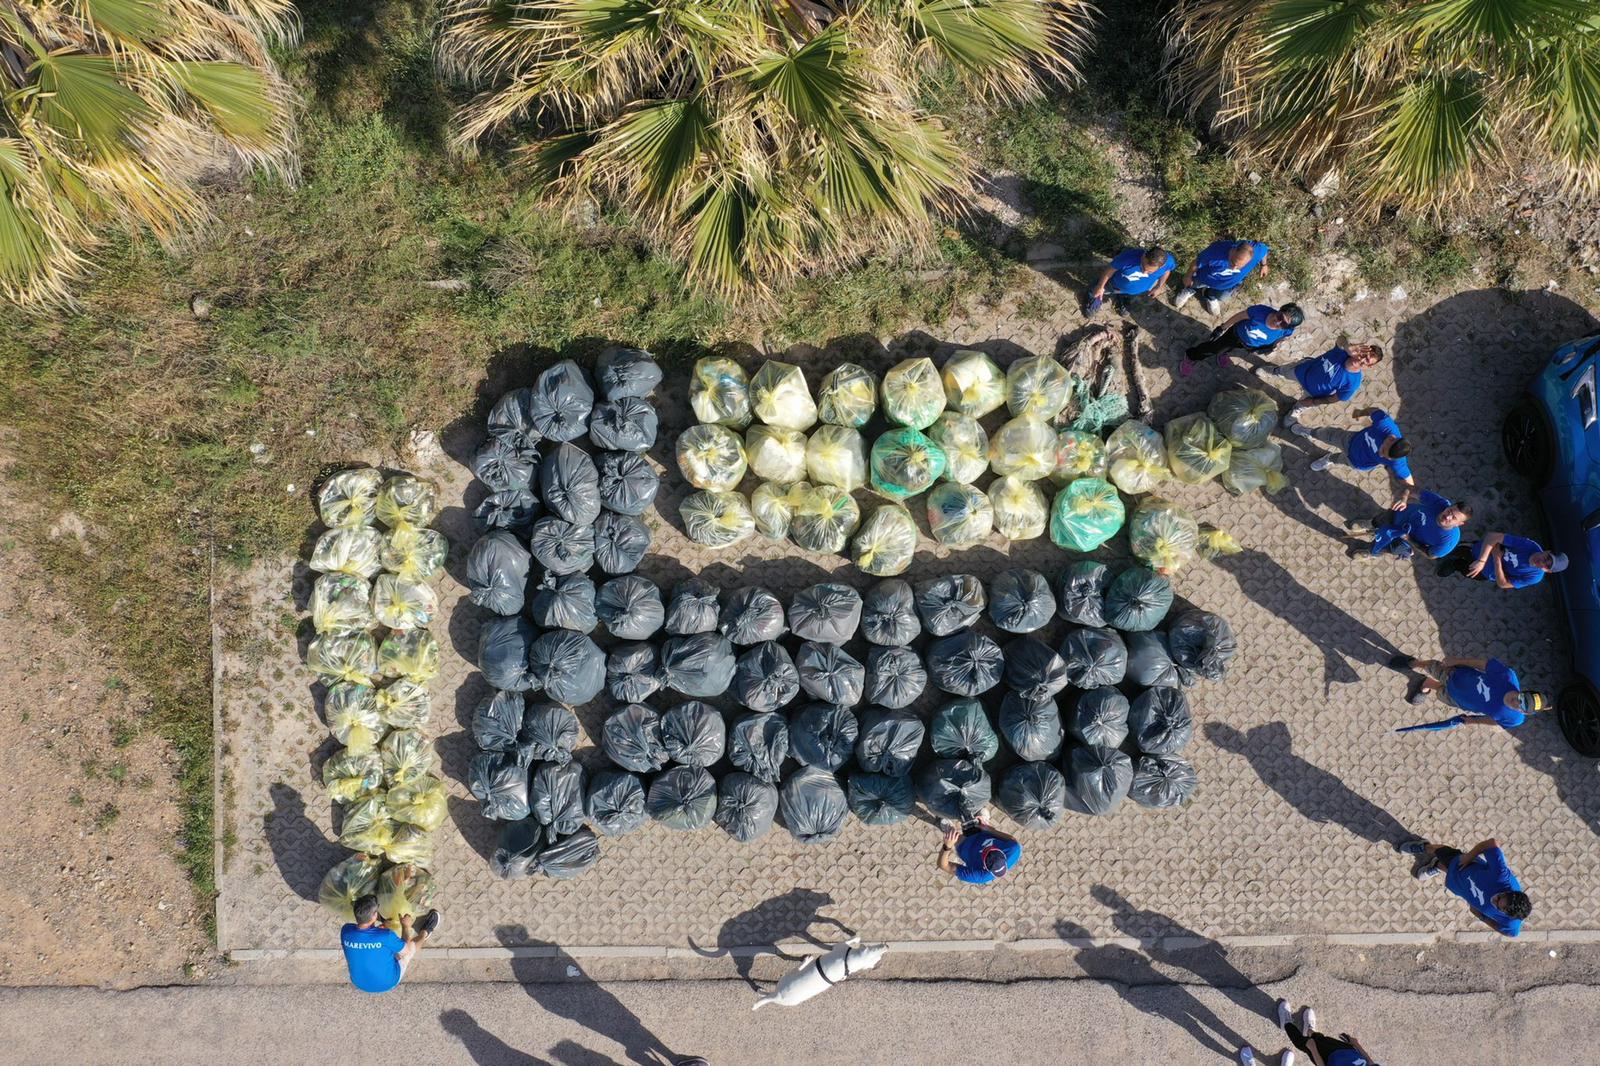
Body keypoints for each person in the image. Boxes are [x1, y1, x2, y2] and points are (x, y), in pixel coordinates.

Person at [1399, 837, 1531, 937]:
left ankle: (1436, 865)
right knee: (1441, 852)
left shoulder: (1511, 924)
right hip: (1464, 865)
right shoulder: (1501, 876)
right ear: (1508, 892)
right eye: (1500, 896)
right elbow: (1491, 843)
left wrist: (1482, 917)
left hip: (1461, 888)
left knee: (1448, 873)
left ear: (1507, 914)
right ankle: (1424, 846)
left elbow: (1511, 934)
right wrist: (1469, 856)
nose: (1495, 899)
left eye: (1498, 906)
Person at [1387, 653, 1549, 722]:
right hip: (1456, 675)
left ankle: (1427, 685)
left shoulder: (1515, 719)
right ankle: (1413, 663)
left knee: (1441, 694)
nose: (1516, 702)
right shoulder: (1507, 675)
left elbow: (1497, 722)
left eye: (1521, 707)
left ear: (1524, 713)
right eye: (1521, 698)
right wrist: (1456, 661)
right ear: (1523, 691)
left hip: (1458, 700)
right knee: (1432, 666)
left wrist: (1472, 722)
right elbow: (1483, 664)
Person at [1254, 345, 1383, 431]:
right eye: (1364, 355)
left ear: (1369, 367)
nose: (1362, 360)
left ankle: (1294, 412)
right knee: (1283, 372)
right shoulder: (1342, 352)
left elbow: (1336, 398)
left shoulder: (1353, 382)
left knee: (1302, 404)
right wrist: (1348, 346)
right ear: (1361, 350)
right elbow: (1340, 340)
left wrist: (1314, 402)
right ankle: (1273, 371)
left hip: (1314, 394)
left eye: (1367, 361)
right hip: (1302, 371)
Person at [1308, 407, 1414, 508]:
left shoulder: (1398, 463)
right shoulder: (1384, 424)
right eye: (1382, 450)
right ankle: (1310, 432)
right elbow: (1375, 411)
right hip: (1350, 440)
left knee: (1339, 459)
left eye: (1385, 457)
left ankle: (1329, 459)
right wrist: (1360, 412)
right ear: (1391, 438)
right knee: (1326, 434)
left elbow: (1410, 484)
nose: (1380, 455)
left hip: (1357, 462)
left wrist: (1404, 499)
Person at [341, 892, 439, 993]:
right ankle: (426, 932)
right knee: (409, 951)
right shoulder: (385, 935)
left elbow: (366, 939)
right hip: (388, 982)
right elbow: (406, 950)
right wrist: (406, 926)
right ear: (375, 915)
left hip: (359, 982)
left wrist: (380, 930)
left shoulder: (346, 931)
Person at [1179, 302, 1304, 377]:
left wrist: (1273, 346)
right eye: (1280, 316)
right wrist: (1222, 328)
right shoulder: (1260, 311)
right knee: (1214, 348)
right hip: (1234, 335)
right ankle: (1192, 355)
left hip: (1249, 345)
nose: (1278, 322)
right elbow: (1240, 316)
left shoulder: (1287, 330)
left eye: (1284, 324)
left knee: (1229, 349)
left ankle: (1224, 352)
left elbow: (1283, 337)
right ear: (1279, 310)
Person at [1350, 492, 1468, 560]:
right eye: (1450, 511)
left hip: (1407, 540)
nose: (1448, 516)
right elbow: (1411, 489)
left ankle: (1372, 552)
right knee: (1382, 519)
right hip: (1399, 516)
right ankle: (1371, 524)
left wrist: (1409, 539)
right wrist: (1403, 499)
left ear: (1460, 524)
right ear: (1449, 506)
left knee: (1392, 547)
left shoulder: (1449, 540)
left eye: (1454, 518)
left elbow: (1430, 554)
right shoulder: (1440, 503)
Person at [1435, 531, 1567, 589]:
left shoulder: (1534, 577)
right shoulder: (1530, 545)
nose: (1542, 562)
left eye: (1546, 565)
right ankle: (1441, 548)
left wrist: (1497, 559)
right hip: (1478, 551)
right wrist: (1481, 561)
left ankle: (1455, 564)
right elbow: (1493, 536)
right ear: (1547, 551)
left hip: (1485, 573)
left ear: (1547, 571)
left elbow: (1503, 584)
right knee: (1452, 548)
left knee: (1465, 570)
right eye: (1546, 558)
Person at [1175, 238, 1270, 315]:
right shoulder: (1216, 250)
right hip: (1205, 278)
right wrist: (1188, 276)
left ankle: (1209, 295)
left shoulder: (1257, 251)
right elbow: (1196, 263)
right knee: (1194, 283)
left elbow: (1264, 251)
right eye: (1233, 262)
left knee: (1223, 297)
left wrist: (1264, 265)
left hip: (1226, 286)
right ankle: (1190, 290)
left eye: (1240, 266)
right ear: (1233, 250)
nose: (1234, 268)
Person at [1270, 1000, 1381, 1065]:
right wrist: (1356, 1044)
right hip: (1346, 1050)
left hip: (1326, 1058)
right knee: (1322, 1038)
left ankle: (1287, 1023)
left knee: (1302, 1042)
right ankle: (1309, 1031)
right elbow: (1370, 1062)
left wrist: (1313, 1049)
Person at [1085, 246, 1176, 316]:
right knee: (1096, 290)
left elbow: (1167, 271)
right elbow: (1110, 270)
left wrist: (1158, 286)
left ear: (1161, 266)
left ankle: (1122, 297)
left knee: (1127, 293)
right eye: (1143, 267)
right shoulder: (1128, 257)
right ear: (1144, 256)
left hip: (1132, 290)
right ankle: (1094, 299)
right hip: (1114, 284)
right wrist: (1100, 286)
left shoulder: (1169, 262)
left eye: (1150, 271)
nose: (1144, 272)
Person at [936, 812, 1021, 885]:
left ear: (985, 866)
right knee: (982, 811)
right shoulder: (1014, 850)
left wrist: (947, 846)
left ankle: (951, 831)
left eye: (985, 852)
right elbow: (1011, 839)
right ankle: (983, 819)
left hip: (965, 846)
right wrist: (990, 829)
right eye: (991, 849)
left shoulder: (979, 876)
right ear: (1002, 855)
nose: (986, 848)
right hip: (984, 832)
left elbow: (944, 866)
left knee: (954, 837)